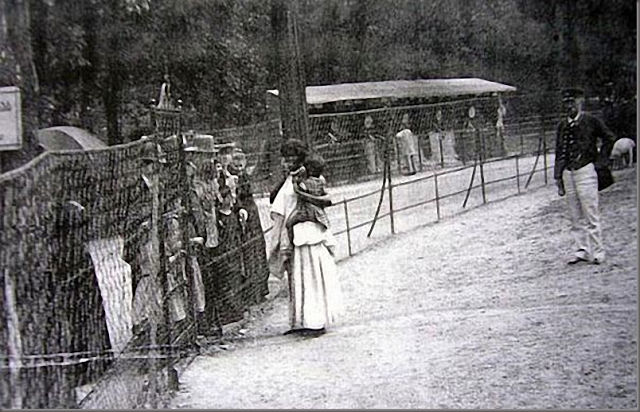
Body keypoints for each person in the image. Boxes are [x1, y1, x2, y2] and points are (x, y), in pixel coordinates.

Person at [268, 139, 343, 337]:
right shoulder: (292, 177)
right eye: (284, 159)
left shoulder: (307, 177)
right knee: (297, 275)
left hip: (307, 230)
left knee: (309, 274)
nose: (285, 163)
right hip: (294, 231)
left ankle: (315, 321)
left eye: (289, 158)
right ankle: (300, 321)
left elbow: (316, 200)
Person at [554, 87, 615, 265]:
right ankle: (582, 250)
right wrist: (558, 176)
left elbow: (609, 138)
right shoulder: (562, 125)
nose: (569, 106)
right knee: (574, 215)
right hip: (568, 173)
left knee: (590, 213)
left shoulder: (591, 121)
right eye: (566, 103)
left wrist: (600, 163)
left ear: (580, 102)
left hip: (586, 170)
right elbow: (559, 151)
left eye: (572, 102)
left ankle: (598, 251)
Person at [285, 153, 332, 252]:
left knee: (289, 223)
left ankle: (290, 245)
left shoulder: (305, 183)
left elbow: (297, 189)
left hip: (306, 211)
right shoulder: (321, 182)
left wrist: (295, 180)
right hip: (318, 211)